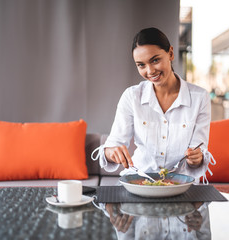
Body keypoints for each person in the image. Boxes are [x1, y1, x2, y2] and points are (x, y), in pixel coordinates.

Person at [92, 27, 215, 183]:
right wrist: (111, 152)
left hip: (181, 184)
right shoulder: (132, 96)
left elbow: (199, 153)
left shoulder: (200, 98)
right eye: (141, 65)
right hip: (139, 180)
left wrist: (196, 158)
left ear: (170, 53)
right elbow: (112, 145)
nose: (150, 71)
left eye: (155, 60)